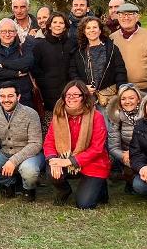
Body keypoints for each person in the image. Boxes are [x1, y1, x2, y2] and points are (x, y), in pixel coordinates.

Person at [44, 80, 110, 209]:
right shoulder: (58, 115)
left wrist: (69, 161)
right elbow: (49, 141)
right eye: (68, 95)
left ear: (84, 96)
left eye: (76, 95)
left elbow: (97, 149)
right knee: (51, 171)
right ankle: (64, 190)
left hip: (93, 162)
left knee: (84, 204)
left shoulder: (96, 116)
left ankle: (100, 185)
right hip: (65, 158)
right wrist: (53, 160)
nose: (71, 98)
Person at [0, 82, 45, 200]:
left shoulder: (31, 114)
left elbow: (36, 144)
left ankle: (28, 188)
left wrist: (13, 161)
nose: (6, 100)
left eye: (10, 96)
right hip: (5, 153)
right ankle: (10, 182)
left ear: (18, 97)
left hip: (29, 155)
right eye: (2, 96)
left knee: (29, 171)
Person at [69, 17, 127, 108]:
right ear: (84, 32)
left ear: (100, 30)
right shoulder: (78, 52)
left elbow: (120, 71)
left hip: (109, 99)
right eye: (88, 28)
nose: (92, 30)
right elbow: (73, 72)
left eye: (95, 27)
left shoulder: (111, 49)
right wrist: (82, 86)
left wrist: (121, 91)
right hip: (86, 99)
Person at [31, 12, 75, 128]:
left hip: (69, 91)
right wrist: (44, 82)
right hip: (48, 94)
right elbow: (35, 67)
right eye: (55, 22)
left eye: (61, 23)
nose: (58, 25)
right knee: (53, 127)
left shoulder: (72, 44)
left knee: (70, 125)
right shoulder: (40, 46)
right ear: (49, 25)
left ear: (65, 26)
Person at [0, 19, 36, 106]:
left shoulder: (23, 48)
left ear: (15, 33)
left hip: (23, 98)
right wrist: (16, 73)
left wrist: (4, 64)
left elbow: (27, 63)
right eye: (3, 31)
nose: (7, 34)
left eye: (11, 31)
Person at [109, 3, 147, 91]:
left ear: (137, 17)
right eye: (122, 15)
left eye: (130, 14)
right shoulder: (112, 38)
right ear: (118, 17)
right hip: (121, 90)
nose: (126, 18)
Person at [103, 83, 143, 179]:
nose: (127, 101)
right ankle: (130, 179)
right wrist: (124, 156)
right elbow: (113, 147)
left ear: (138, 99)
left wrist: (134, 153)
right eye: (123, 99)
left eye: (131, 98)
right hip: (127, 156)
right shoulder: (116, 117)